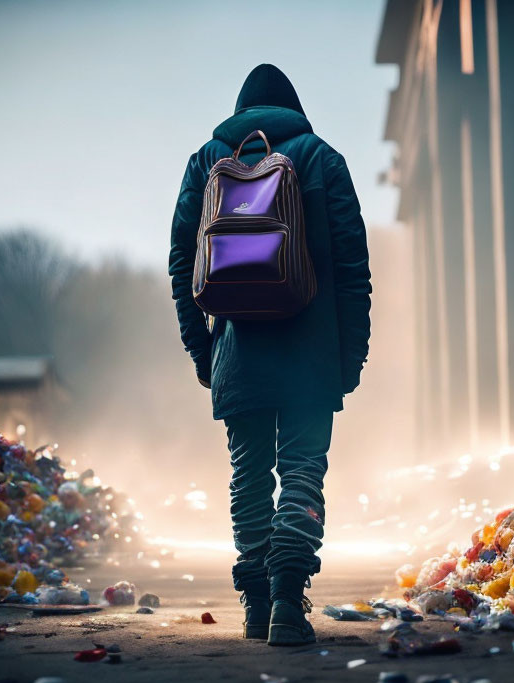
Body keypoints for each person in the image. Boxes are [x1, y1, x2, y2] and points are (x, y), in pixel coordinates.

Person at [168, 64, 371, 646]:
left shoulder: (207, 162)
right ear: (294, 108)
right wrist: (349, 353)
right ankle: (287, 600)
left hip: (236, 346)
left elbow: (184, 265)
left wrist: (201, 349)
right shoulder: (321, 157)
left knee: (248, 476)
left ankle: (257, 606)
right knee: (303, 468)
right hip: (310, 347)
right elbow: (353, 269)